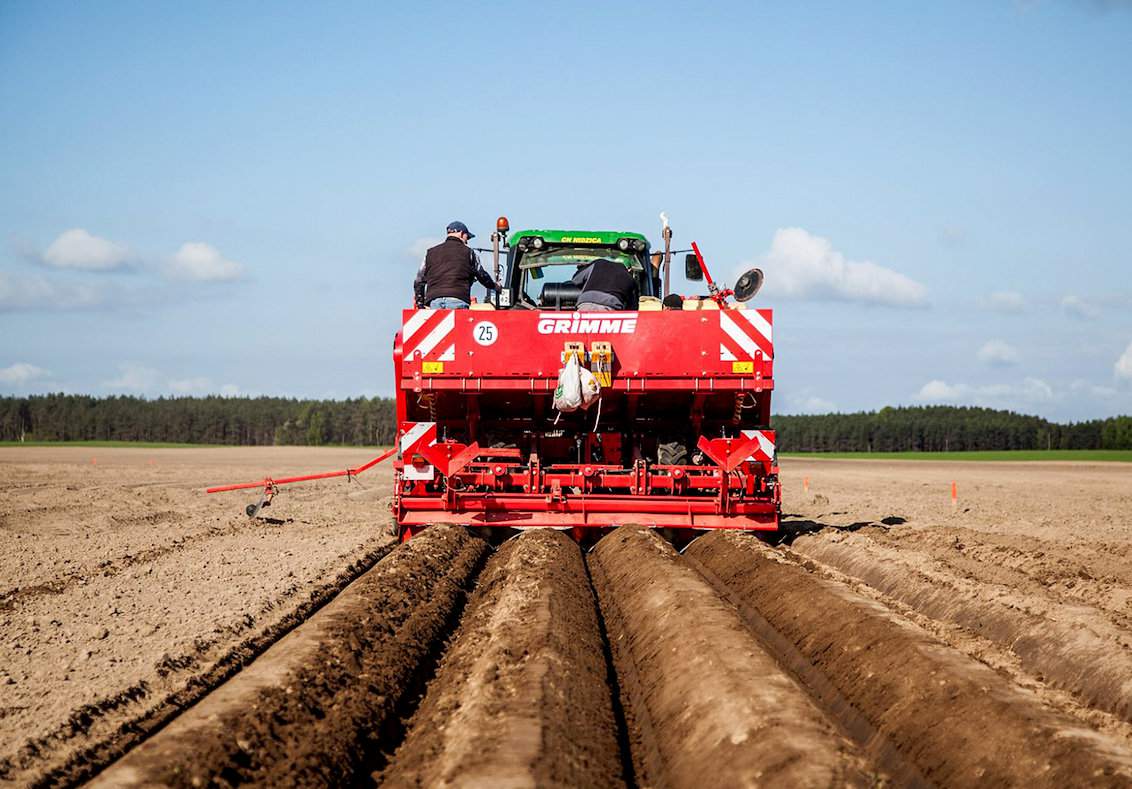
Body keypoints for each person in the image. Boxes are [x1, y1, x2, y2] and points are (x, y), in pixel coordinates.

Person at [414, 221, 496, 309]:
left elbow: (419, 280)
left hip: (435, 301)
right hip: (458, 299)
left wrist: (420, 303)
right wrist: (495, 286)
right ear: (461, 233)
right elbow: (482, 275)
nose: (467, 241)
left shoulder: (430, 253)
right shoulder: (469, 253)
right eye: (467, 237)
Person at [572, 257, 639, 311]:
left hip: (586, 302)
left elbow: (576, 280)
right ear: (629, 269)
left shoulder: (598, 263)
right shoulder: (630, 279)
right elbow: (632, 309)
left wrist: (582, 268)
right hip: (609, 306)